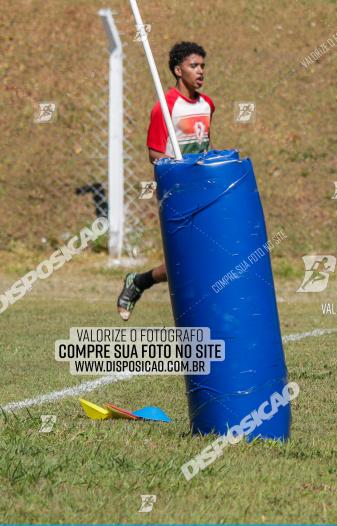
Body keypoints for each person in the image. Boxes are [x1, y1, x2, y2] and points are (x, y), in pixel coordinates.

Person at [116, 41, 215, 320]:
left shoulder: (208, 104)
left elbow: (205, 145)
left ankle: (140, 281)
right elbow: (154, 153)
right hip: (177, 192)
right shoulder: (166, 107)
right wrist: (181, 169)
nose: (200, 71)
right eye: (193, 66)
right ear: (177, 70)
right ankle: (140, 282)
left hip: (204, 189)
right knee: (188, 259)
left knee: (196, 259)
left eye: (202, 66)